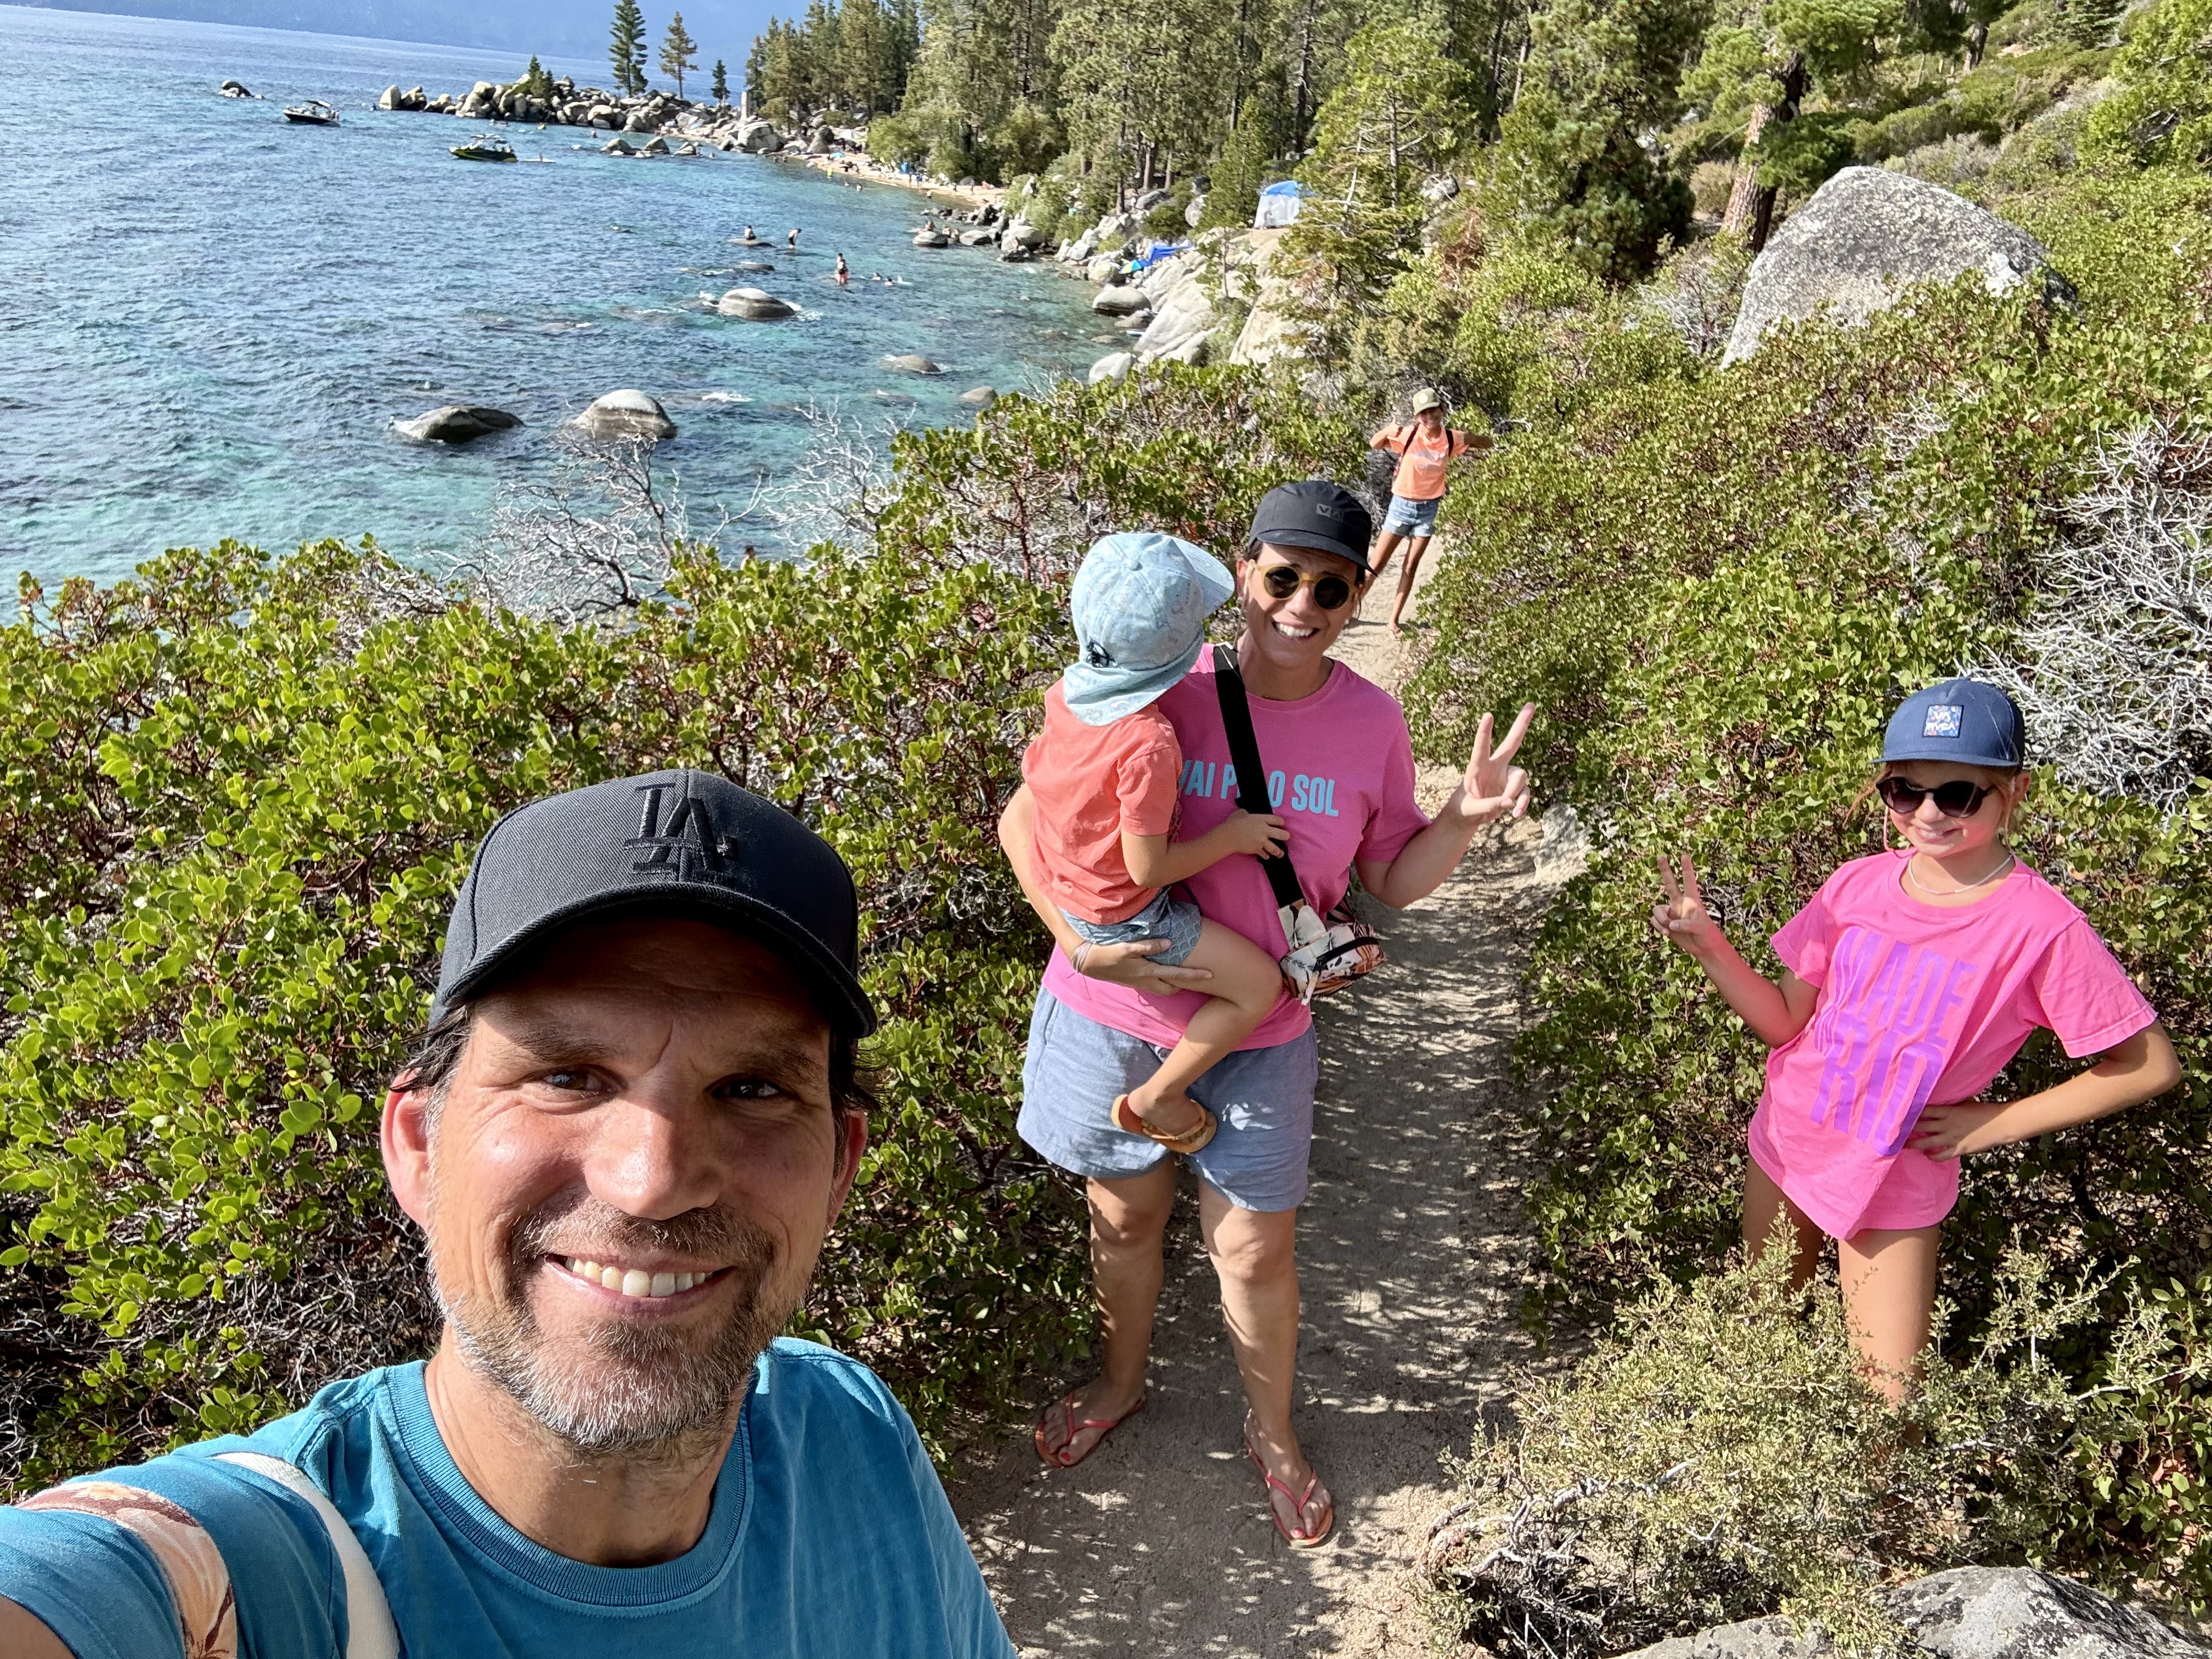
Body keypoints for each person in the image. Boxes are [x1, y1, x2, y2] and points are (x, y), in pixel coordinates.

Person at [0, 771, 1015, 1658]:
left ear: (838, 1169)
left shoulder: (849, 1428)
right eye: (567, 1075)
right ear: (418, 1144)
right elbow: (89, 1575)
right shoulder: (259, 1572)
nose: (652, 1178)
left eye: (751, 1088)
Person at [997, 482, 1534, 1546]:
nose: (1302, 603)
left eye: (1331, 587)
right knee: (1122, 1220)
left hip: (1259, 1034)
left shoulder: (1372, 723)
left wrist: (1462, 818)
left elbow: (1391, 875)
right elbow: (1025, 824)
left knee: (1252, 1252)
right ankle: (1119, 1384)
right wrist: (1076, 938)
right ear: (1242, 573)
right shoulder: (1160, 683)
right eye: (1282, 576)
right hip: (1114, 1011)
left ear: (1356, 595)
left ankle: (1272, 1432)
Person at [1651, 680, 2181, 1401]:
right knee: (1761, 1346)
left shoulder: (2043, 926)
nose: (1928, 814)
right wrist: (1711, 948)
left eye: (1958, 795)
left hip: (1896, 1174)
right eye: (1905, 791)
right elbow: (1784, 1023)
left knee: (1889, 1400)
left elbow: (2148, 1065)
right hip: (1791, 1138)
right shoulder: (1855, 886)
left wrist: (1987, 1125)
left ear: (2014, 792)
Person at [1020, 532, 1290, 1153]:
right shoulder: (1148, 743)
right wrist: (1233, 836)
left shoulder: (1064, 695)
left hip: (1070, 896)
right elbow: (1146, 869)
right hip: (1125, 919)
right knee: (1259, 987)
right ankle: (1158, 1098)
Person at [1368, 388, 1492, 637]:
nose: (1429, 417)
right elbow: (1375, 443)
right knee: (1376, 565)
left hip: (1428, 509)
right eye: (1423, 413)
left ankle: (1394, 620)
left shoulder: (1451, 438)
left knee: (1410, 566)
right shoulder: (1408, 434)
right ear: (1417, 417)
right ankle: (1347, 611)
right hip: (1402, 505)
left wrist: (1472, 438)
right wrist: (1388, 430)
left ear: (1442, 411)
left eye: (1433, 410)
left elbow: (1488, 443)